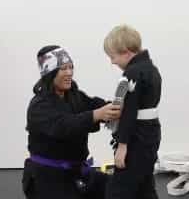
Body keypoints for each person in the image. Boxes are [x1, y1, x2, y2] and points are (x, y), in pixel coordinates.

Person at [22, 45, 121, 199]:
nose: (69, 73)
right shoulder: (39, 106)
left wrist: (115, 108)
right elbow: (64, 125)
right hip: (47, 178)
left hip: (76, 172)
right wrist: (96, 115)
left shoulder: (73, 95)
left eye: (71, 67)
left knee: (121, 188)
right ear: (50, 73)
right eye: (63, 69)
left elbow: (93, 104)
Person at [104, 25, 162, 199]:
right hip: (151, 133)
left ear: (125, 52)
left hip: (136, 137)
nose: (112, 62)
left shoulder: (132, 73)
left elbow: (129, 112)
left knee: (119, 189)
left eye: (113, 56)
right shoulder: (152, 70)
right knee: (145, 184)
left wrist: (122, 147)